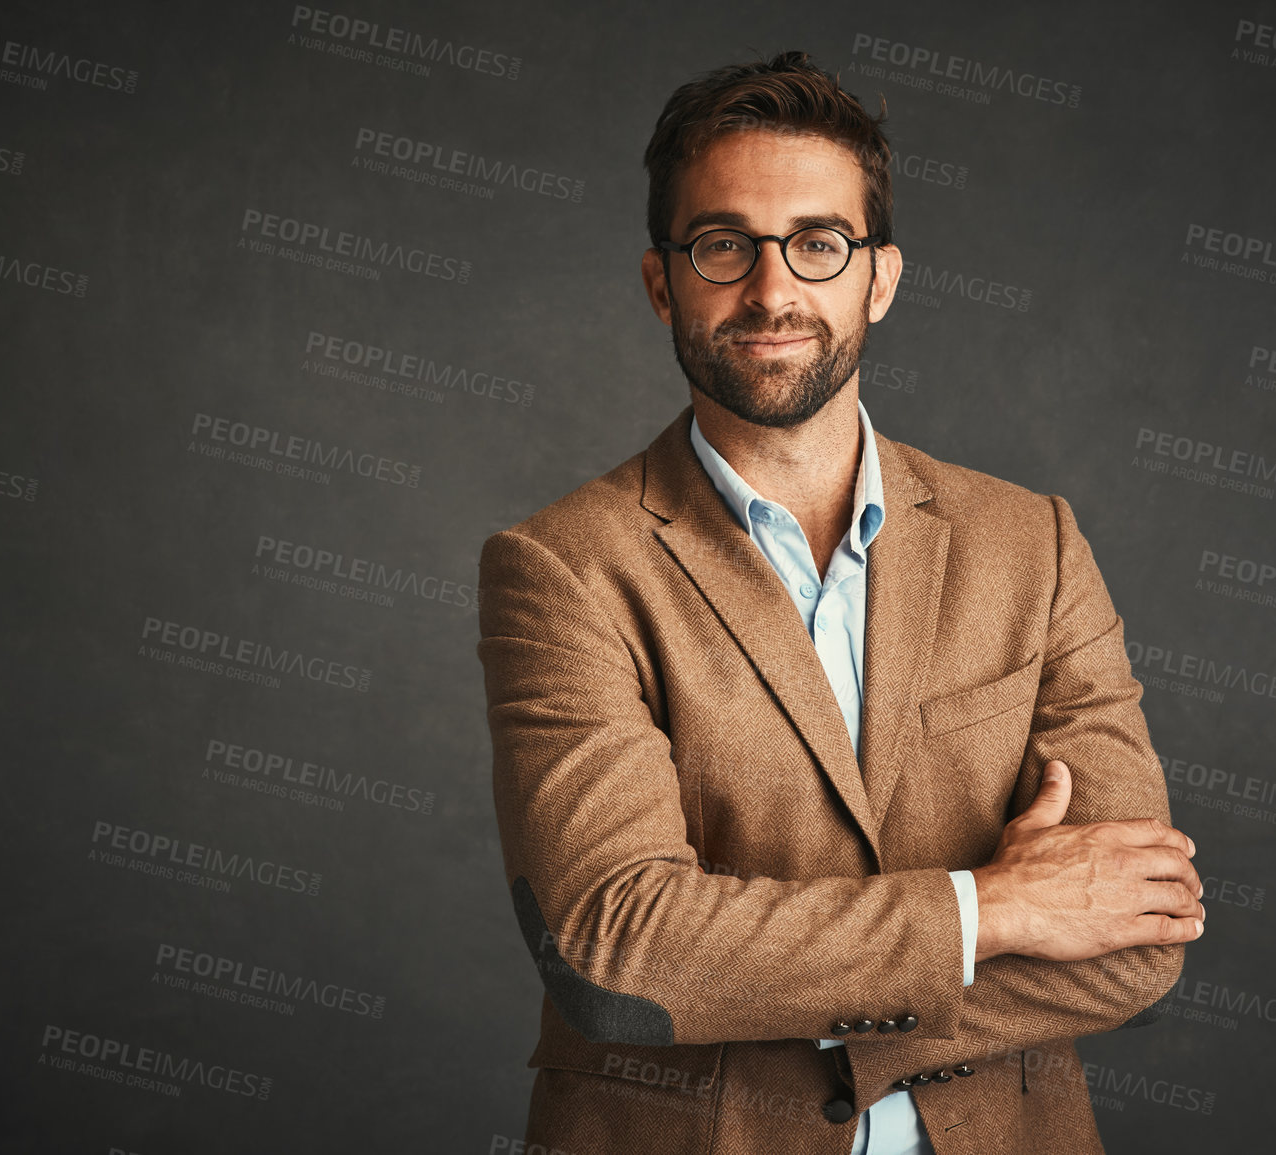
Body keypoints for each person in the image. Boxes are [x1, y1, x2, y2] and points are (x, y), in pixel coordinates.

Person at [477, 50, 1204, 1155]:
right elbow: (616, 952)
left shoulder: (1033, 545)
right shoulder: (564, 568)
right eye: (724, 245)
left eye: (819, 244)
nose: (773, 291)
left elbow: (1136, 936)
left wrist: (755, 991)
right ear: (661, 281)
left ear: (883, 278)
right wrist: (992, 910)